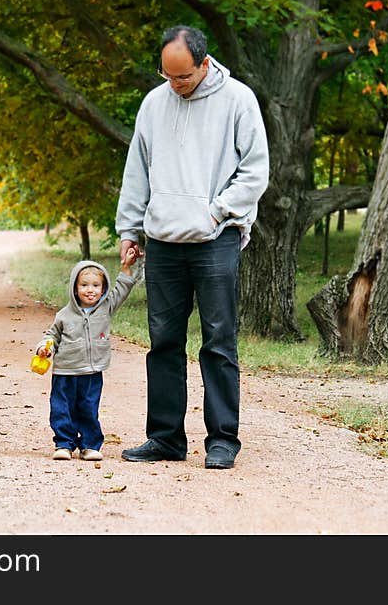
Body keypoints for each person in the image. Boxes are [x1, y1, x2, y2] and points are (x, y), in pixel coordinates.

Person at [115, 25, 269, 469]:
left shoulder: (238, 100)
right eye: (167, 76)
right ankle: (165, 438)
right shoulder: (153, 103)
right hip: (162, 240)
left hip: (214, 239)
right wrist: (129, 229)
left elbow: (256, 171)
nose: (175, 85)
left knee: (219, 341)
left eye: (182, 77)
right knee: (163, 341)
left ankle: (222, 440)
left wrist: (218, 212)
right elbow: (137, 171)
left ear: (204, 64)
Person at [35, 248, 137, 461]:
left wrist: (126, 267)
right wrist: (44, 348)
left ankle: (90, 445)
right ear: (74, 288)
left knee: (89, 408)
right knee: (62, 409)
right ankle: (64, 444)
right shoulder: (64, 314)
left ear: (103, 288)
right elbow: (51, 335)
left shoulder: (106, 307)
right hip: (65, 372)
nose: (90, 290)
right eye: (84, 285)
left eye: (95, 285)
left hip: (92, 371)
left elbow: (123, 289)